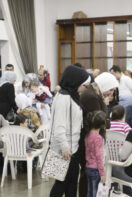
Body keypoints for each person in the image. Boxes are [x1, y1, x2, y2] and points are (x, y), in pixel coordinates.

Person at [49, 65, 90, 197]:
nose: (85, 88)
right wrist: (65, 147)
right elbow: (59, 127)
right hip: (64, 148)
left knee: (71, 183)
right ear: (75, 82)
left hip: (72, 147)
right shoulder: (63, 98)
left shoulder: (72, 96)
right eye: (85, 85)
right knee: (61, 183)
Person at [79, 72, 119, 197]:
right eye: (111, 90)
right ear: (105, 85)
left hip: (88, 140)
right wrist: (106, 106)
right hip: (90, 142)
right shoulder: (92, 96)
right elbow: (101, 121)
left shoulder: (95, 92)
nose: (111, 93)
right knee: (89, 178)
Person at [85, 111, 106, 197]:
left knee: (90, 192)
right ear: (102, 124)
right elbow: (99, 157)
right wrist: (102, 173)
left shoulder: (88, 134)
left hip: (88, 168)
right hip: (95, 170)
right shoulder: (98, 138)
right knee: (95, 193)